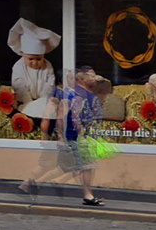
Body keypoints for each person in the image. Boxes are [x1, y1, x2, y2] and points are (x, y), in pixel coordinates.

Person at [21, 67, 106, 206]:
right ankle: (87, 195)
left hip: (74, 138)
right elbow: (56, 115)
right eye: (70, 78)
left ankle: (33, 184)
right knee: (81, 166)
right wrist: (55, 136)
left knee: (67, 167)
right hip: (72, 138)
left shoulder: (80, 94)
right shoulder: (67, 95)